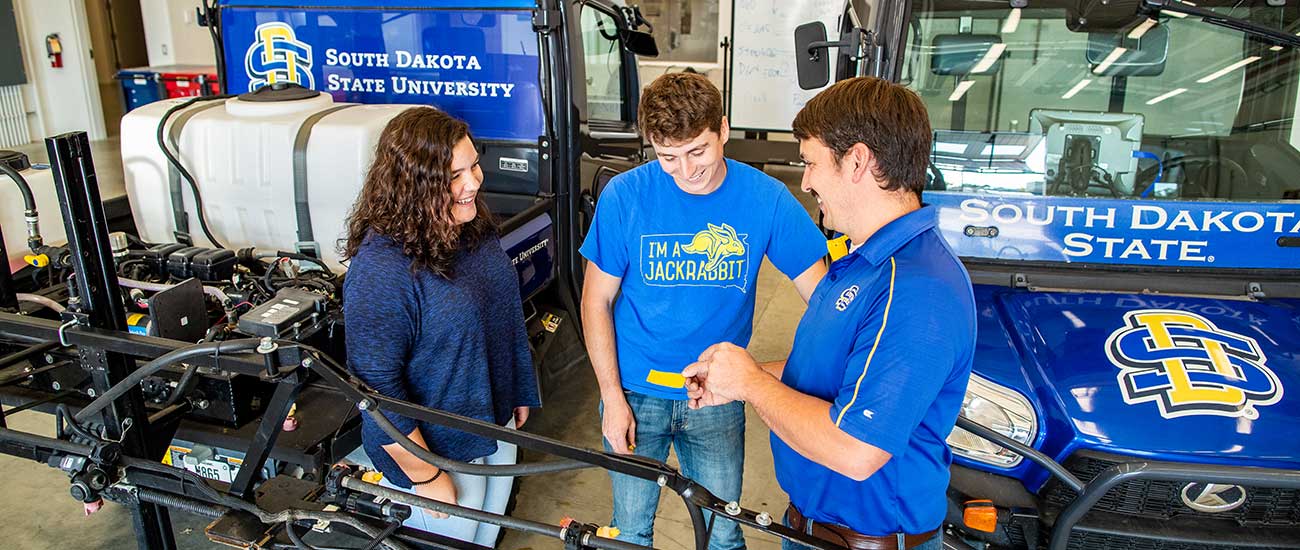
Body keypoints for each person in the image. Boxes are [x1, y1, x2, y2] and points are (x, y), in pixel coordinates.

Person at [682, 76, 976, 550]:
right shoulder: (862, 263)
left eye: (811, 163)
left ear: (857, 161)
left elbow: (856, 449)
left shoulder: (917, 290)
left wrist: (751, 385)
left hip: (868, 540)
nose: (806, 181)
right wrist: (735, 378)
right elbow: (829, 377)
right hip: (815, 529)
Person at [579, 72, 828, 549]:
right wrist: (611, 398)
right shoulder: (626, 196)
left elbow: (825, 301)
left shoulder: (765, 199)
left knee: (721, 533)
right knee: (629, 532)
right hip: (634, 392)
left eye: (698, 151)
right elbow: (596, 300)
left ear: (724, 130)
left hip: (714, 395)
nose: (685, 170)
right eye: (667, 157)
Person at [341, 107, 540, 547]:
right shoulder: (382, 270)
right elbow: (376, 390)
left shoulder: (469, 227)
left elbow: (502, 312)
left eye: (474, 166)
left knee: (487, 537)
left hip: (493, 424)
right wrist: (426, 474)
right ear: (414, 186)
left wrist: (517, 388)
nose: (473, 182)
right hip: (437, 453)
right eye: (455, 175)